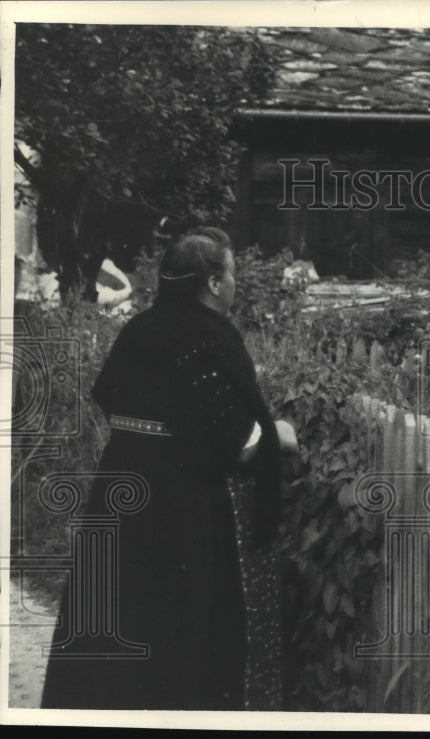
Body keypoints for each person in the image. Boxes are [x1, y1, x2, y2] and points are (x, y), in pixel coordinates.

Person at [41, 228, 298, 710]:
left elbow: (111, 397)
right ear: (214, 283)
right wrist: (277, 434)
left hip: (120, 491)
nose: (236, 284)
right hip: (179, 505)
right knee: (176, 624)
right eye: (233, 273)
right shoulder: (210, 336)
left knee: (119, 612)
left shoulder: (140, 327)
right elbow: (229, 443)